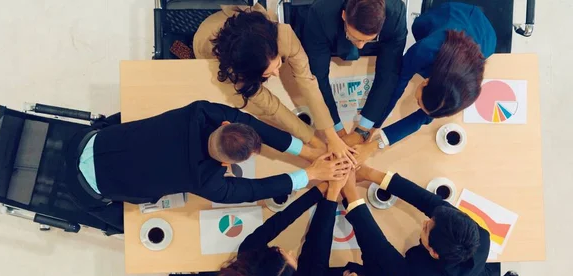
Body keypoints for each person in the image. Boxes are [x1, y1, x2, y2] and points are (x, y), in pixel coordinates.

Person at [67, 100, 351, 206]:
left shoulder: (199, 113)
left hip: (94, 141)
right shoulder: (203, 181)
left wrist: (306, 152)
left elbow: (250, 124)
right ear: (227, 163)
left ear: (225, 124)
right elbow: (253, 190)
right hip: (94, 189)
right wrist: (312, 174)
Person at [193, 4, 357, 163]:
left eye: (278, 64)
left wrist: (331, 135)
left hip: (247, 28)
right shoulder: (235, 70)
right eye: (267, 73)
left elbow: (307, 81)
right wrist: (314, 140)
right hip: (208, 42)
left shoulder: (284, 36)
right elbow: (272, 107)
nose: (277, 74)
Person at [346, 166, 491, 276]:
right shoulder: (479, 236)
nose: (424, 221)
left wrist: (350, 192)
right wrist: (369, 173)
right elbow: (429, 201)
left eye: (426, 228)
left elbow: (379, 247)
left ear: (434, 252)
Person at [351, 2, 497, 147]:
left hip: (482, 35)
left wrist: (378, 142)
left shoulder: (466, 90)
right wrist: (373, 125)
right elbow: (396, 85)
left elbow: (427, 116)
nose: (417, 103)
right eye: (419, 102)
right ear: (426, 81)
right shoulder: (424, 51)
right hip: (448, 12)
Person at [208, 183, 329, 276]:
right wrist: (330, 196)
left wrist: (319, 191)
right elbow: (318, 245)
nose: (290, 252)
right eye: (294, 261)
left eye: (280, 252)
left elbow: (280, 221)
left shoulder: (249, 250)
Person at [296, 170, 387, 276]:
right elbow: (371, 245)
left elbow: (318, 250)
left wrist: (331, 196)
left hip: (313, 273)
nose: (350, 273)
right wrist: (350, 197)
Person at [303, 0, 407, 138]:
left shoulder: (396, 13)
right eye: (355, 37)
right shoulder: (321, 12)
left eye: (368, 39)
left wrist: (362, 130)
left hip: (370, 56)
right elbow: (318, 75)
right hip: (329, 41)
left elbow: (388, 73)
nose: (360, 46)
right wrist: (337, 129)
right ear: (344, 15)